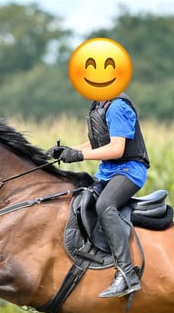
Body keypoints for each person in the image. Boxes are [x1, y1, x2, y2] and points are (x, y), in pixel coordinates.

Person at [47, 93, 150, 298]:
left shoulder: (118, 106)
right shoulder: (99, 105)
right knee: (80, 199)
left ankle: (127, 273)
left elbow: (117, 148)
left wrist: (79, 156)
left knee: (105, 205)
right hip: (108, 172)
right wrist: (68, 150)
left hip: (129, 171)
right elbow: (97, 143)